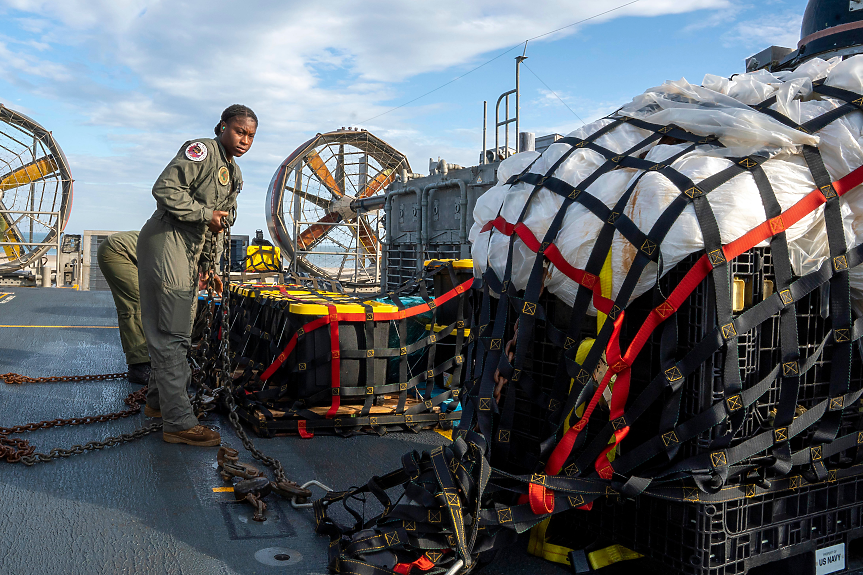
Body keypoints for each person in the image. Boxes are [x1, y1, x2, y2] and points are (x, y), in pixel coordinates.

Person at [138, 104, 257, 447]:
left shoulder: (233, 174)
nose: (244, 140)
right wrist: (205, 213)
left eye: (250, 136)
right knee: (171, 333)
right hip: (167, 239)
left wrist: (211, 266)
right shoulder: (202, 151)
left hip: (189, 249)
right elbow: (164, 189)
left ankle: (158, 404)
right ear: (222, 127)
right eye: (239, 132)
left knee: (179, 329)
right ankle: (177, 423)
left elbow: (219, 226)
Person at [97, 231, 150, 384]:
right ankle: (139, 367)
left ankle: (146, 357)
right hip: (117, 251)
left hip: (127, 252)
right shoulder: (183, 260)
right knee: (135, 305)